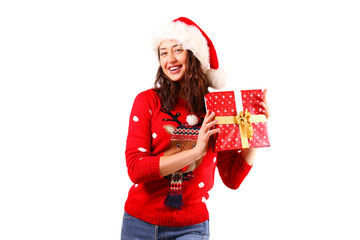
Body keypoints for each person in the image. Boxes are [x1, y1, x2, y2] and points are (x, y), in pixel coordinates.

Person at [121, 17, 270, 240]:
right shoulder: (147, 101)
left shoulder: (218, 108)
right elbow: (136, 169)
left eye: (178, 50)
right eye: (163, 52)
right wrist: (195, 152)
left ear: (194, 54)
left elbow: (232, 179)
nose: (169, 59)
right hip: (139, 224)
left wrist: (254, 129)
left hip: (191, 228)